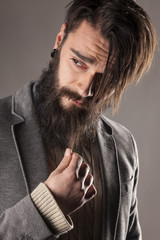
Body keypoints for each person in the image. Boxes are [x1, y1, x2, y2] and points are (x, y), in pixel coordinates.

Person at [0, 0, 156, 239]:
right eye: (79, 62)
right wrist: (48, 205)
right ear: (60, 40)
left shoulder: (124, 146)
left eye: (108, 78)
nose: (86, 89)